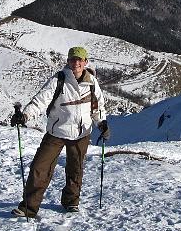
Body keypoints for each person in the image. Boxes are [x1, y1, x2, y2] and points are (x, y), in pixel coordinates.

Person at [9, 46, 108, 218]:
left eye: (79, 60)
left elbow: (97, 107)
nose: (76, 63)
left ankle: (71, 202)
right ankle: (28, 207)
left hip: (81, 133)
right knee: (40, 168)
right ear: (68, 61)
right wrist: (25, 115)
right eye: (72, 59)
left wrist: (102, 124)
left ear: (85, 62)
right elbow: (40, 101)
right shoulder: (59, 79)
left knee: (75, 169)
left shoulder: (92, 82)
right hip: (57, 132)